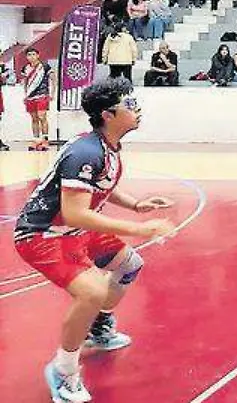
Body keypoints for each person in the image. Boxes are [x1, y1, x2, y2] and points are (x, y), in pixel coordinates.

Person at [14, 78, 175, 403]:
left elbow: (101, 186)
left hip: (75, 230)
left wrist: (136, 206)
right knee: (93, 291)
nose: (137, 109)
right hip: (44, 235)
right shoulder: (85, 152)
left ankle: (97, 326)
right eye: (129, 105)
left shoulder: (106, 147)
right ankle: (63, 371)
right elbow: (75, 214)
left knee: (129, 264)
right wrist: (140, 229)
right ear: (108, 115)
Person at [22, 47, 53, 151]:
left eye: (34, 54)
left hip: (42, 95)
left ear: (38, 55)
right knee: (34, 118)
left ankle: (45, 140)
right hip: (30, 97)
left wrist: (52, 93)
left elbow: (53, 78)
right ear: (26, 57)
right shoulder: (25, 68)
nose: (32, 57)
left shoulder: (45, 66)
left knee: (42, 116)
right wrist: (25, 95)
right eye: (29, 55)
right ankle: (36, 140)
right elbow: (25, 82)